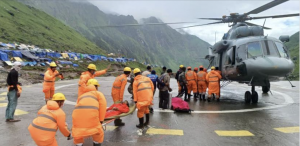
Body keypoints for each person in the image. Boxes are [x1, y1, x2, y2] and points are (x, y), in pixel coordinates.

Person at [72, 79, 107, 146]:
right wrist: (101, 120)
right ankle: (96, 143)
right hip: (92, 117)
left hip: (77, 118)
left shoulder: (82, 96)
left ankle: (79, 144)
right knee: (98, 131)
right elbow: (103, 106)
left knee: (78, 132)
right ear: (96, 87)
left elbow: (78, 108)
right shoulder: (98, 94)